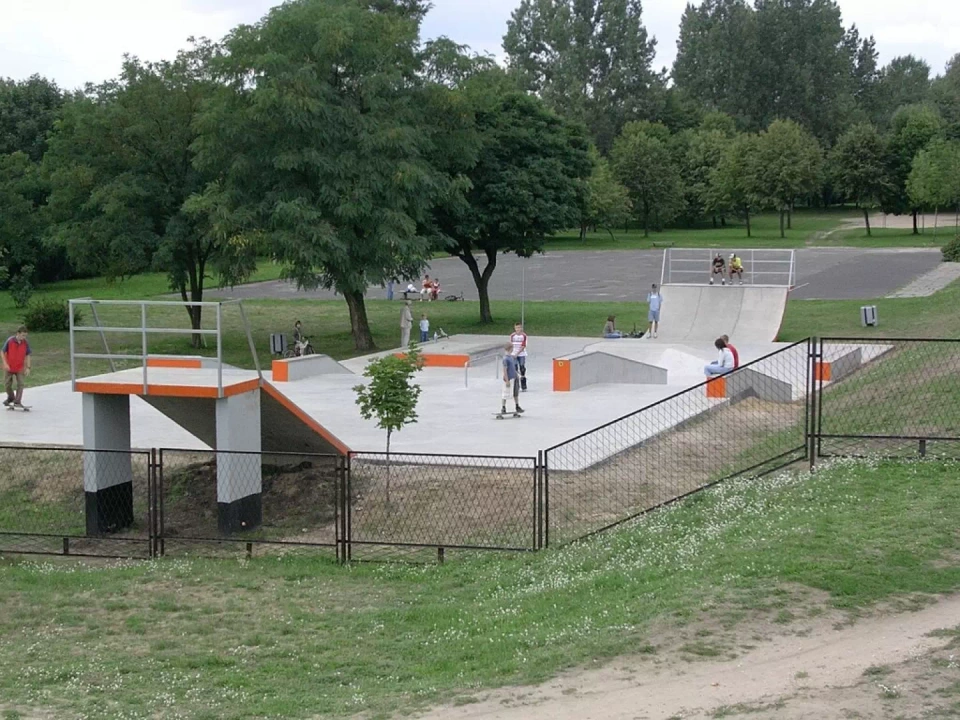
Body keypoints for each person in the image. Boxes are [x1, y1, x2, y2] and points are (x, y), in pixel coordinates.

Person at [2, 325, 31, 409]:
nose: (24, 337)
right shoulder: (10, 341)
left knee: (21, 384)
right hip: (9, 367)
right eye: (22, 335)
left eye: (25, 336)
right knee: (7, 384)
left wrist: (28, 367)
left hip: (19, 367)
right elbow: (2, 352)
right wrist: (5, 363)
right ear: (18, 333)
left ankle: (17, 401)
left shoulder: (25, 342)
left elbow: (28, 354)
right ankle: (11, 397)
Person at [500, 344, 525, 416]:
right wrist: (507, 380)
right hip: (509, 379)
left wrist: (517, 374)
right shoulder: (505, 359)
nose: (513, 350)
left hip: (514, 377)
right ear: (509, 349)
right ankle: (503, 407)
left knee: (515, 393)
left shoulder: (511, 357)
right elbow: (505, 370)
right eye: (512, 348)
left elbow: (513, 368)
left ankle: (517, 406)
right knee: (506, 393)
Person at [509, 322, 528, 391]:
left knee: (522, 368)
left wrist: (517, 353)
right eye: (517, 328)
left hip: (521, 353)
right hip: (513, 354)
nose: (518, 329)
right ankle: (516, 384)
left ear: (522, 328)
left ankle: (523, 384)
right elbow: (511, 345)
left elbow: (523, 346)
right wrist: (511, 353)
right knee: (515, 368)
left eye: (519, 328)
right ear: (515, 328)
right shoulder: (512, 336)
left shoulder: (524, 336)